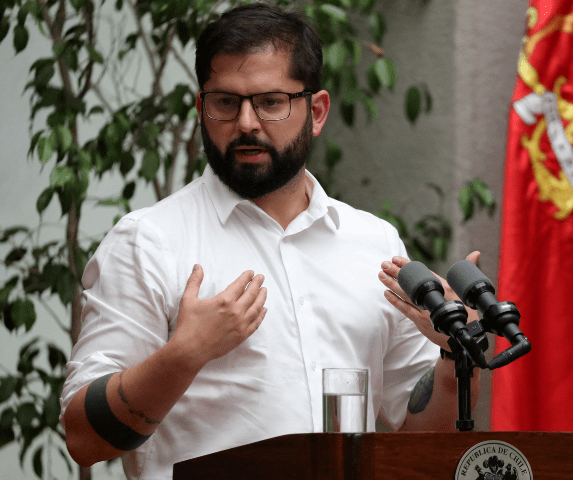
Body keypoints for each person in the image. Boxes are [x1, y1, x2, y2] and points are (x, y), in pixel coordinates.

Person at [59, 3, 480, 479]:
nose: (246, 123)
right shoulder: (148, 242)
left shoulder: (373, 242)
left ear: (316, 111)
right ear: (201, 108)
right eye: (225, 102)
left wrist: (453, 359)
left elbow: (420, 441)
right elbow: (83, 438)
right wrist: (185, 354)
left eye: (271, 102)